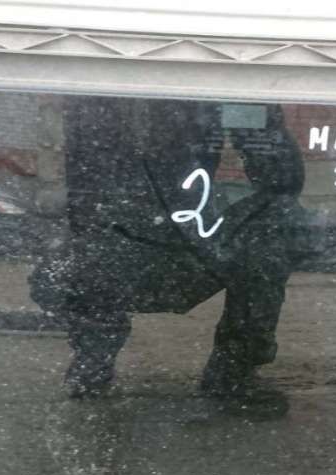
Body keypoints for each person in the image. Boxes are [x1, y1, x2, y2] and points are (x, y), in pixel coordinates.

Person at [28, 97, 307, 399]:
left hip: (177, 244)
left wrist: (254, 116)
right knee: (272, 230)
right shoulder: (100, 95)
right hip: (152, 246)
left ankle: (95, 362)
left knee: (274, 227)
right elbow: (281, 178)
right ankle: (97, 360)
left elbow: (281, 180)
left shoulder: (207, 96)